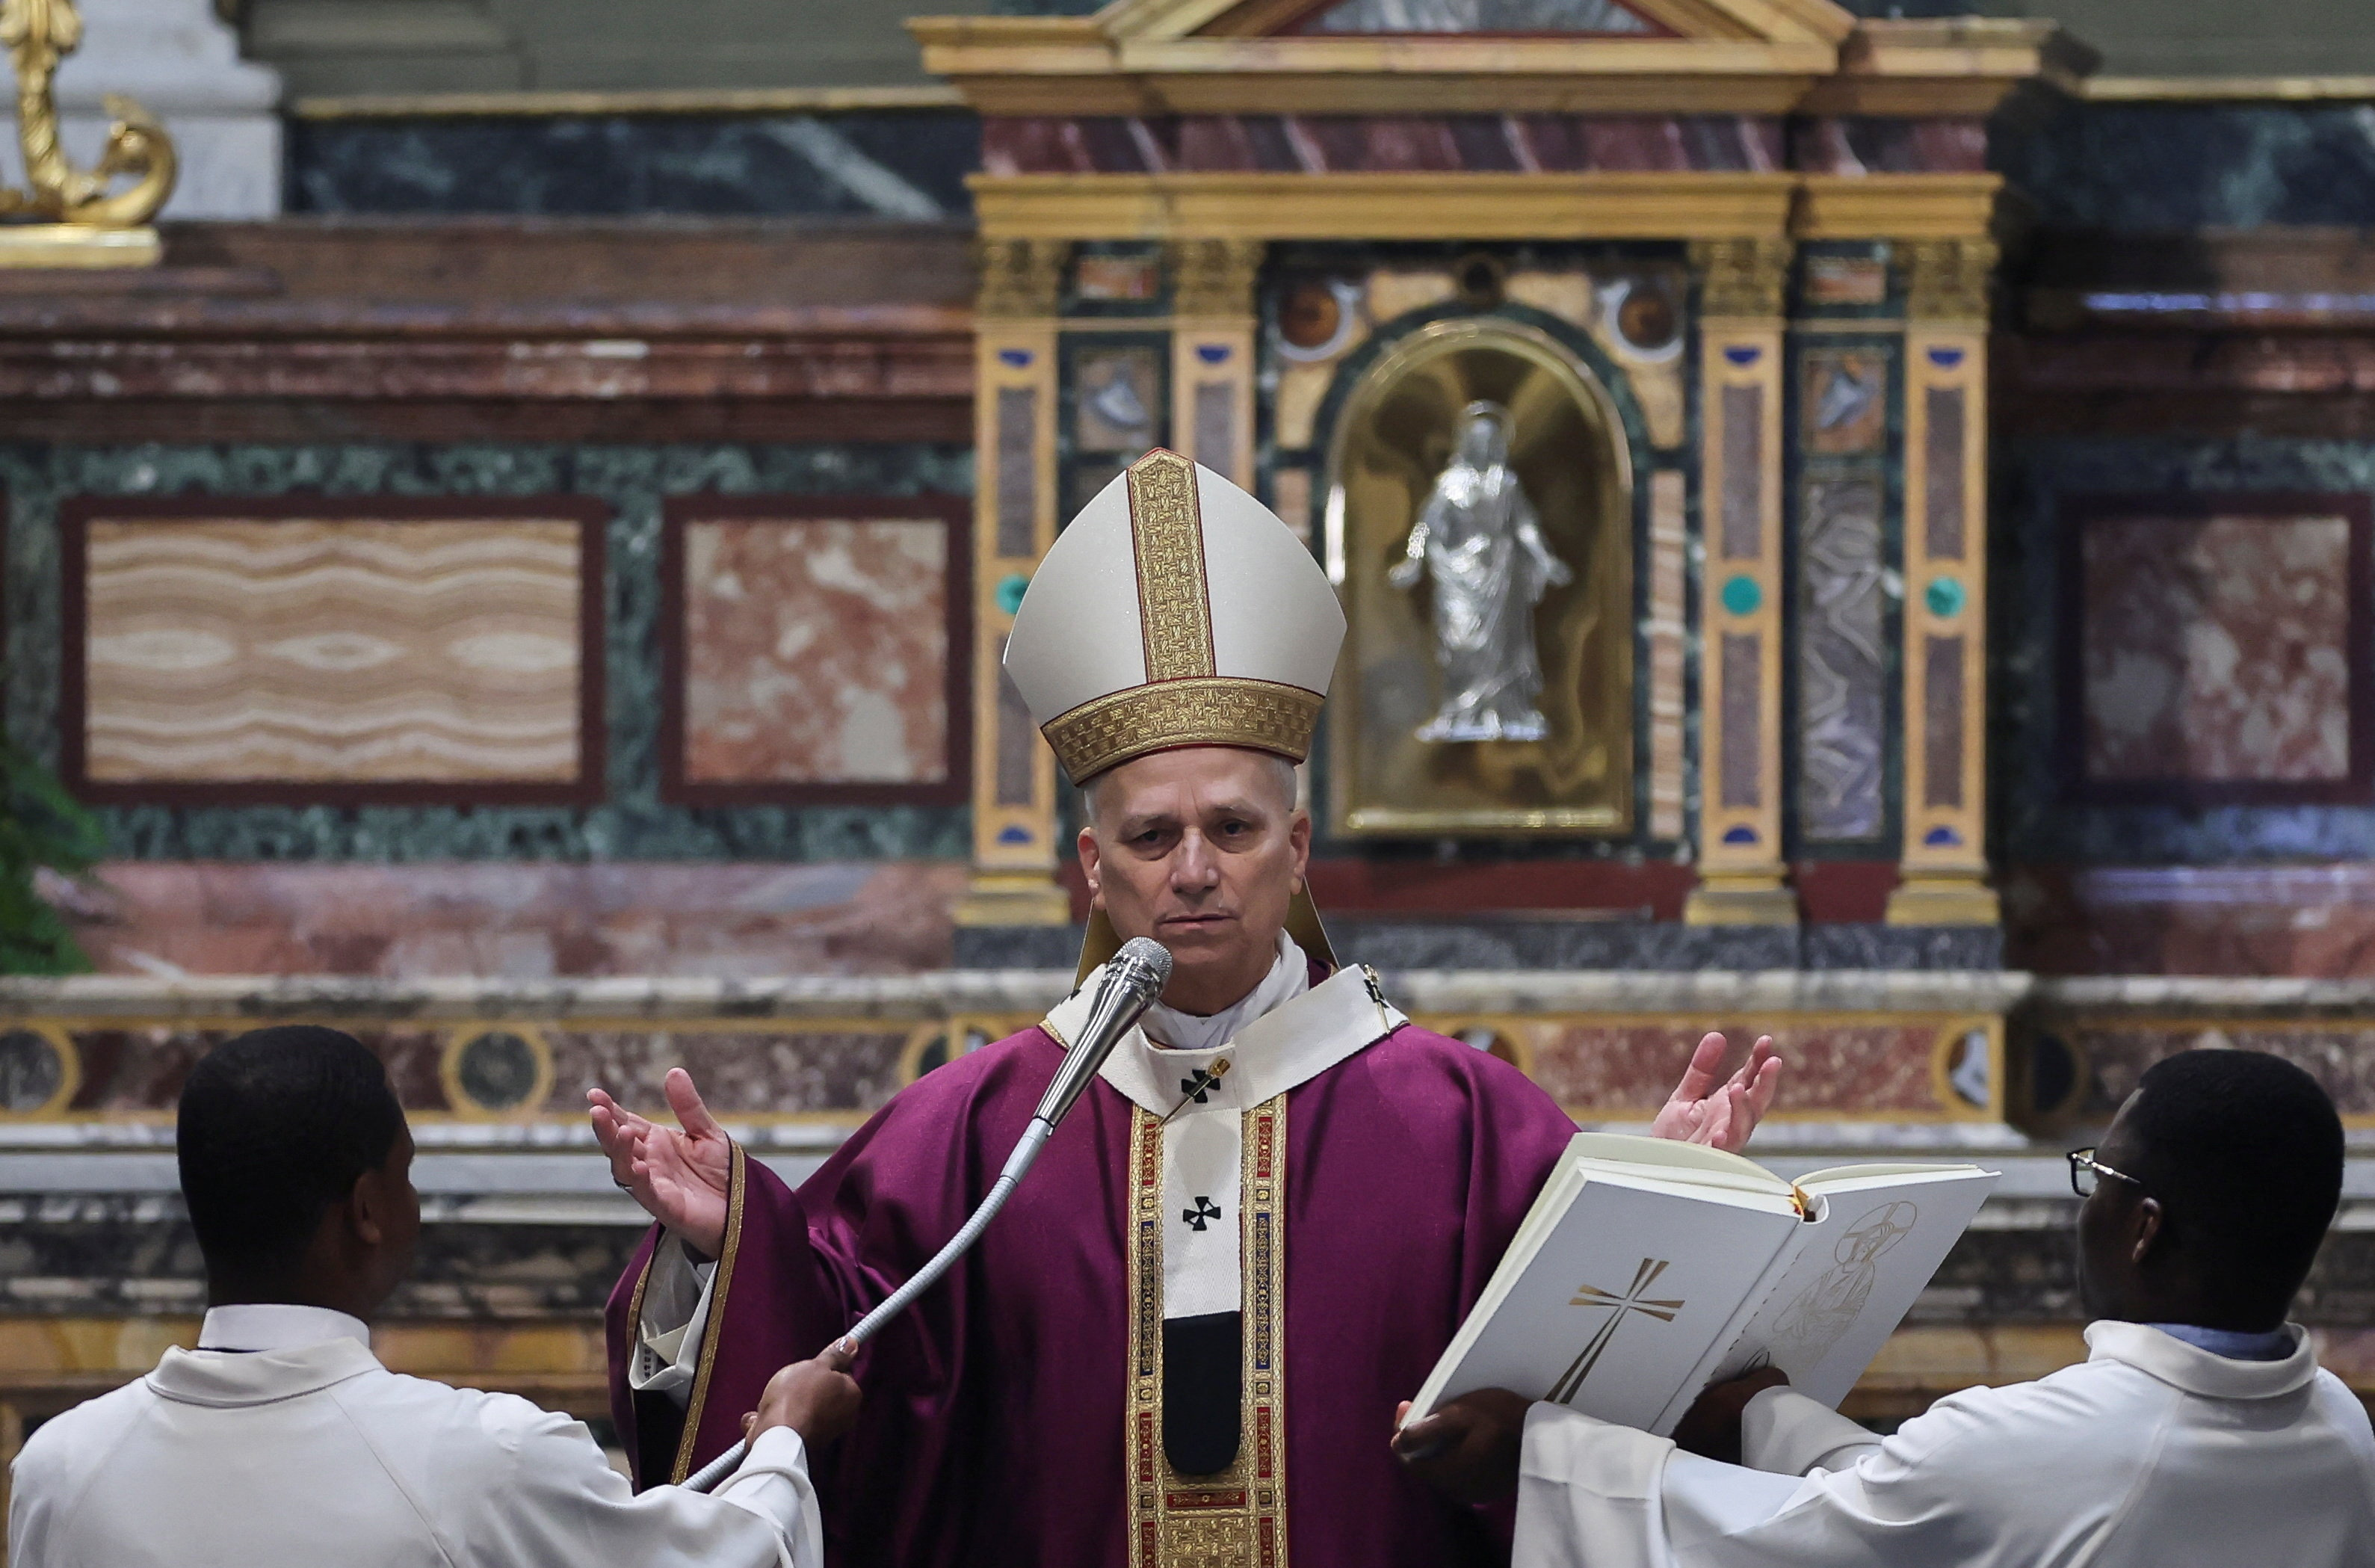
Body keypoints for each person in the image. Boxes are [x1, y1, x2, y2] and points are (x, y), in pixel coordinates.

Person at [590, 447, 1782, 1568]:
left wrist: (1656, 1212)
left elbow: (1580, 1404)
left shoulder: (1462, 1121)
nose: (1194, 868)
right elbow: (850, 1366)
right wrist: (719, 1250)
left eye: (1233, 827)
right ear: (1092, 864)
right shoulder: (983, 1129)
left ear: (1297, 847)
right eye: (1151, 835)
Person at [1393, 1047, 2375, 1567]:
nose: (2088, 1198)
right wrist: (1764, 1411)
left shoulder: (2036, 1442)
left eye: (2096, 1174)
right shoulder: (2340, 1426)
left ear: (2144, 1227)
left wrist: (1538, 1446)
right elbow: (1929, 1505)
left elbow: (1770, 1540)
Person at [7, 1025, 860, 1568]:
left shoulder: (58, 1468)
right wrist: (784, 1434)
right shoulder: (479, 1460)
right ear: (368, 1210)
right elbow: (737, 1560)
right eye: (406, 1174)